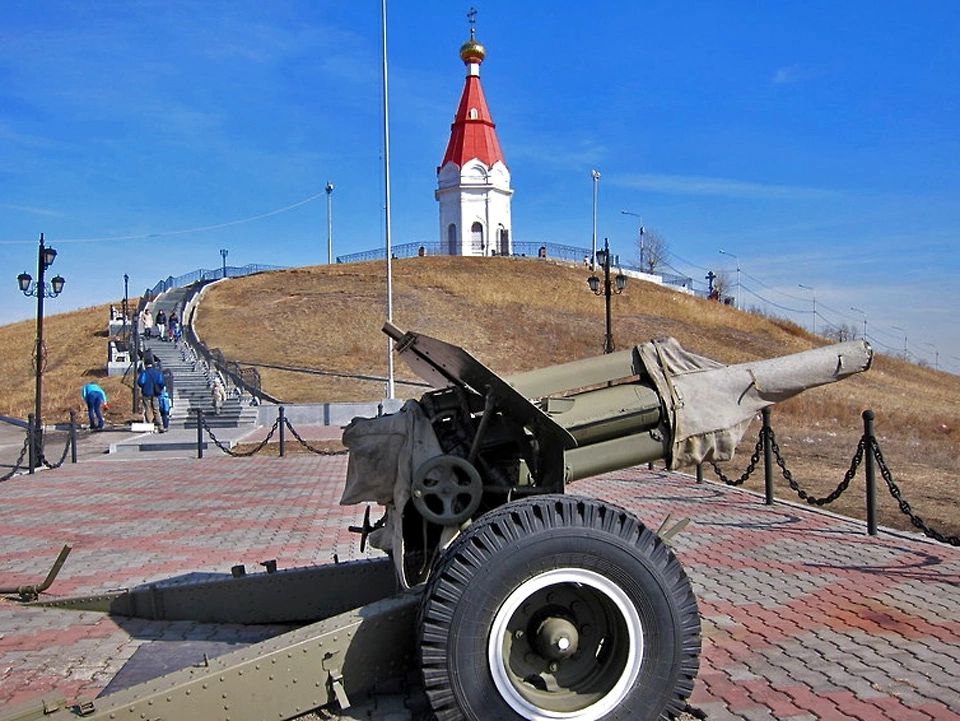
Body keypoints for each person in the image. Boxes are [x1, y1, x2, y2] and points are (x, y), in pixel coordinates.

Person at [137, 359, 166, 432]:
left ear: (146, 365)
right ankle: (160, 426)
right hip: (155, 393)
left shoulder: (144, 373)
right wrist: (159, 389)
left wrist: (144, 387)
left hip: (146, 393)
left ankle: (150, 426)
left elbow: (141, 382)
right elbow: (161, 382)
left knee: (148, 409)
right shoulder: (157, 372)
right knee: (156, 409)